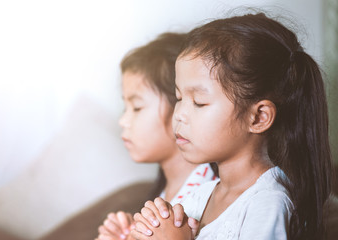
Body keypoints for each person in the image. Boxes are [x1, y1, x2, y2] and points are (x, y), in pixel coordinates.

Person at [131, 13, 333, 240]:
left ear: (258, 117)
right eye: (179, 98)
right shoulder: (199, 196)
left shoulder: (267, 203)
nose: (179, 115)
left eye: (199, 102)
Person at [96, 32, 218, 240]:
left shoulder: (213, 195)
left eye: (137, 107)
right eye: (126, 107)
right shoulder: (160, 197)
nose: (123, 121)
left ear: (181, 107)